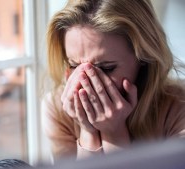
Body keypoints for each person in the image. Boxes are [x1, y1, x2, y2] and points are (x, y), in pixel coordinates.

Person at [42, 0, 185, 163]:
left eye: (106, 68)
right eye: (74, 65)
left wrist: (114, 133)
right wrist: (88, 132)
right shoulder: (58, 108)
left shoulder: (179, 109)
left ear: (144, 58)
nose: (85, 81)